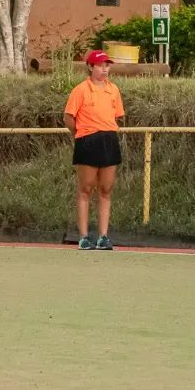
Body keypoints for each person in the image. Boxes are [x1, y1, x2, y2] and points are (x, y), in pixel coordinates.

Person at [63, 49, 125, 251]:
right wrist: (81, 134)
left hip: (108, 139)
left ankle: (103, 236)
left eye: (107, 65)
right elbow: (68, 117)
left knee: (106, 189)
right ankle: (83, 237)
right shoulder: (80, 90)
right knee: (85, 189)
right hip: (87, 140)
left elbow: (115, 116)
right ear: (90, 67)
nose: (105, 68)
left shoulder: (113, 90)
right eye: (100, 65)